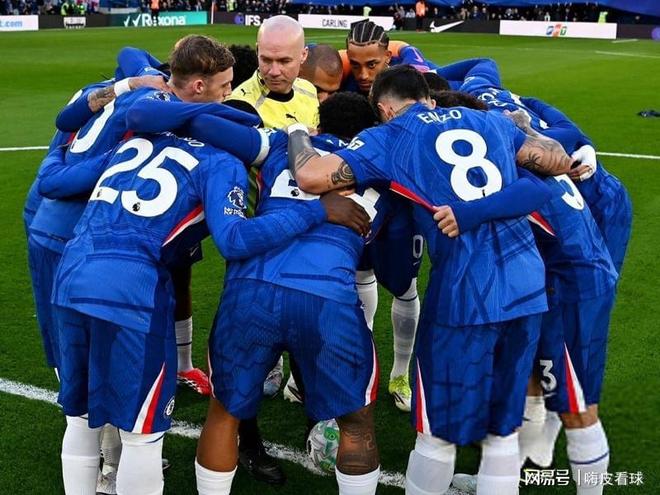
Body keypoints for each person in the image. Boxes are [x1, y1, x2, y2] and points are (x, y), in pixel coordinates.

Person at [287, 65, 576, 495]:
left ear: (385, 109)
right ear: (428, 98)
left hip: (466, 290)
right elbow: (557, 158)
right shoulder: (488, 121)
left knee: (437, 432)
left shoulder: (389, 135)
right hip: (527, 284)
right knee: (501, 429)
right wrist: (522, 128)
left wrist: (296, 134)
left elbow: (310, 176)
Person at [192, 92, 383, 495]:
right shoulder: (385, 164)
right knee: (355, 422)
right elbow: (397, 270)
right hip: (327, 296)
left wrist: (293, 131)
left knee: (224, 413)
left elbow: (206, 125)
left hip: (251, 288)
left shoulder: (281, 144)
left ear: (320, 124)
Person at [435, 56, 631, 275]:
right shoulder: (478, 86)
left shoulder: (498, 133)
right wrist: (530, 103)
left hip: (594, 201)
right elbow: (485, 63)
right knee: (599, 276)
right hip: (604, 192)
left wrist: (468, 214)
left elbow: (537, 183)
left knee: (591, 277)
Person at [339, 20, 440, 95]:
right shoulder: (344, 85)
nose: (363, 76)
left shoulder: (416, 73)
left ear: (388, 56)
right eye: (355, 65)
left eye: (371, 65)